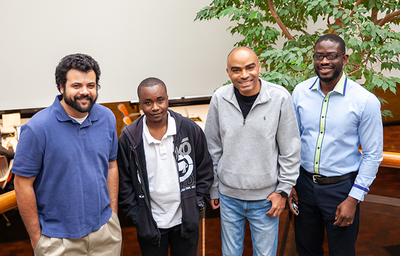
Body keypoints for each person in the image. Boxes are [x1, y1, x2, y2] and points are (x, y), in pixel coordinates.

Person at [12, 53, 122, 256]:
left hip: (105, 234)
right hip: (58, 241)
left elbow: (112, 165)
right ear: (61, 87)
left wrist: (112, 214)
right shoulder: (37, 128)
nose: (85, 92)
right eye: (76, 86)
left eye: (91, 85)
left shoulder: (107, 118)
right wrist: (37, 240)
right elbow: (22, 184)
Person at [289, 34, 383, 256]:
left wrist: (353, 199)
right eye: (319, 56)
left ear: (345, 59)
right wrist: (290, 183)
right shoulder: (300, 92)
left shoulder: (364, 101)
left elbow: (372, 155)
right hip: (303, 186)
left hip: (341, 190)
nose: (324, 62)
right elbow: (292, 142)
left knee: (341, 251)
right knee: (306, 250)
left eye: (331, 56)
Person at [204, 46, 301, 256]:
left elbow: (290, 151)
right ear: (228, 72)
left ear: (260, 67)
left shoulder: (280, 98)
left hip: (266, 198)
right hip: (229, 197)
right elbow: (212, 148)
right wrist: (214, 187)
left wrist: (283, 191)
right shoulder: (220, 98)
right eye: (236, 70)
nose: (244, 75)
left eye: (250, 67)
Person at [118, 77, 213, 256]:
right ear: (140, 104)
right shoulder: (130, 139)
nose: (155, 107)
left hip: (186, 221)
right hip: (150, 224)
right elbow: (124, 181)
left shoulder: (189, 129)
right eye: (148, 102)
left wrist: (197, 202)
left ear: (167, 98)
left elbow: (204, 168)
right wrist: (136, 215)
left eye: (160, 100)